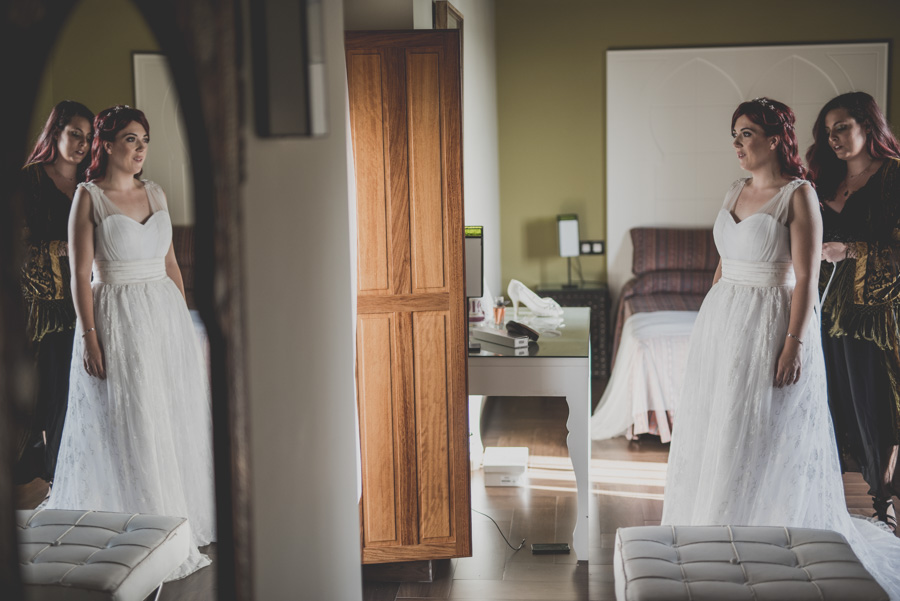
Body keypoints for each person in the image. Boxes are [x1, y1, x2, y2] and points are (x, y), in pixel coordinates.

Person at [662, 97, 900, 597]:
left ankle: (763, 541)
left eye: (747, 133)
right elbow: (724, 263)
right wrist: (710, 322)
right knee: (720, 427)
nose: (738, 144)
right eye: (734, 135)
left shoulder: (800, 195)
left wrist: (793, 346)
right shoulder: (734, 189)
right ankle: (713, 534)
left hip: (772, 321)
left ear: (775, 138)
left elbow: (808, 281)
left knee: (762, 431)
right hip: (724, 322)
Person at [43, 105, 215, 580]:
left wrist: (183, 322)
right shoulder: (88, 197)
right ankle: (142, 522)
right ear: (109, 145)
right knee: (131, 416)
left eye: (144, 141)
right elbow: (80, 275)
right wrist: (91, 337)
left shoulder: (155, 192)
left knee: (166, 414)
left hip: (161, 315)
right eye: (131, 140)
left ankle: (176, 518)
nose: (140, 150)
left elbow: (172, 264)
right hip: (116, 316)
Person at [807, 91, 900, 532]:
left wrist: (852, 250)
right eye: (829, 132)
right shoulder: (822, 182)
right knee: (835, 406)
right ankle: (836, 507)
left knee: (876, 407)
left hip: (875, 318)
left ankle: (888, 501)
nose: (835, 138)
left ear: (867, 123)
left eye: (842, 126)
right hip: (824, 314)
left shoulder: (893, 178)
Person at [17, 100, 94, 484]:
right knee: (44, 394)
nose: (82, 143)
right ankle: (40, 475)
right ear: (57, 132)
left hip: (87, 297)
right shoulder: (29, 180)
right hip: (43, 306)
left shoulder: (91, 183)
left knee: (76, 391)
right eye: (74, 134)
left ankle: (65, 475)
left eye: (88, 136)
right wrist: (62, 248)